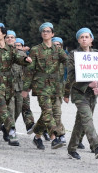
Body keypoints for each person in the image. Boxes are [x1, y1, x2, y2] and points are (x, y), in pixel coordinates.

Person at [22, 22, 68, 150]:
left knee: (46, 114)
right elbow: (30, 70)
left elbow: (68, 61)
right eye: (43, 31)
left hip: (55, 86)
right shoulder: (36, 50)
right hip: (41, 86)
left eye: (48, 31)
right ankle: (54, 138)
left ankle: (37, 137)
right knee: (48, 111)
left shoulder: (58, 50)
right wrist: (26, 88)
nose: (45, 33)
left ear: (52, 34)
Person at [64, 28, 98, 160]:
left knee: (81, 122)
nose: (84, 39)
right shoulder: (73, 54)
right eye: (81, 37)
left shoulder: (97, 54)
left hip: (92, 95)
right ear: (78, 40)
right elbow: (71, 76)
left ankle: (71, 148)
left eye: (86, 37)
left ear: (91, 39)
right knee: (87, 119)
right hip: (79, 93)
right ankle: (96, 146)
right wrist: (87, 84)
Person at [13, 38, 35, 134]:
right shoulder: (11, 57)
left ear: (22, 47)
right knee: (14, 109)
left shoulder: (27, 59)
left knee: (26, 106)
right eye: (15, 46)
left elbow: (30, 73)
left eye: (19, 46)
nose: (17, 48)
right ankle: (8, 126)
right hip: (12, 87)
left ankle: (30, 124)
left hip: (23, 87)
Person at [51, 37, 67, 144]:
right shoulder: (46, 56)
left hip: (58, 90)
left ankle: (59, 134)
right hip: (46, 89)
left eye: (59, 45)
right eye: (54, 44)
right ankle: (58, 133)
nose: (57, 46)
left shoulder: (65, 58)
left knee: (55, 112)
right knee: (51, 113)